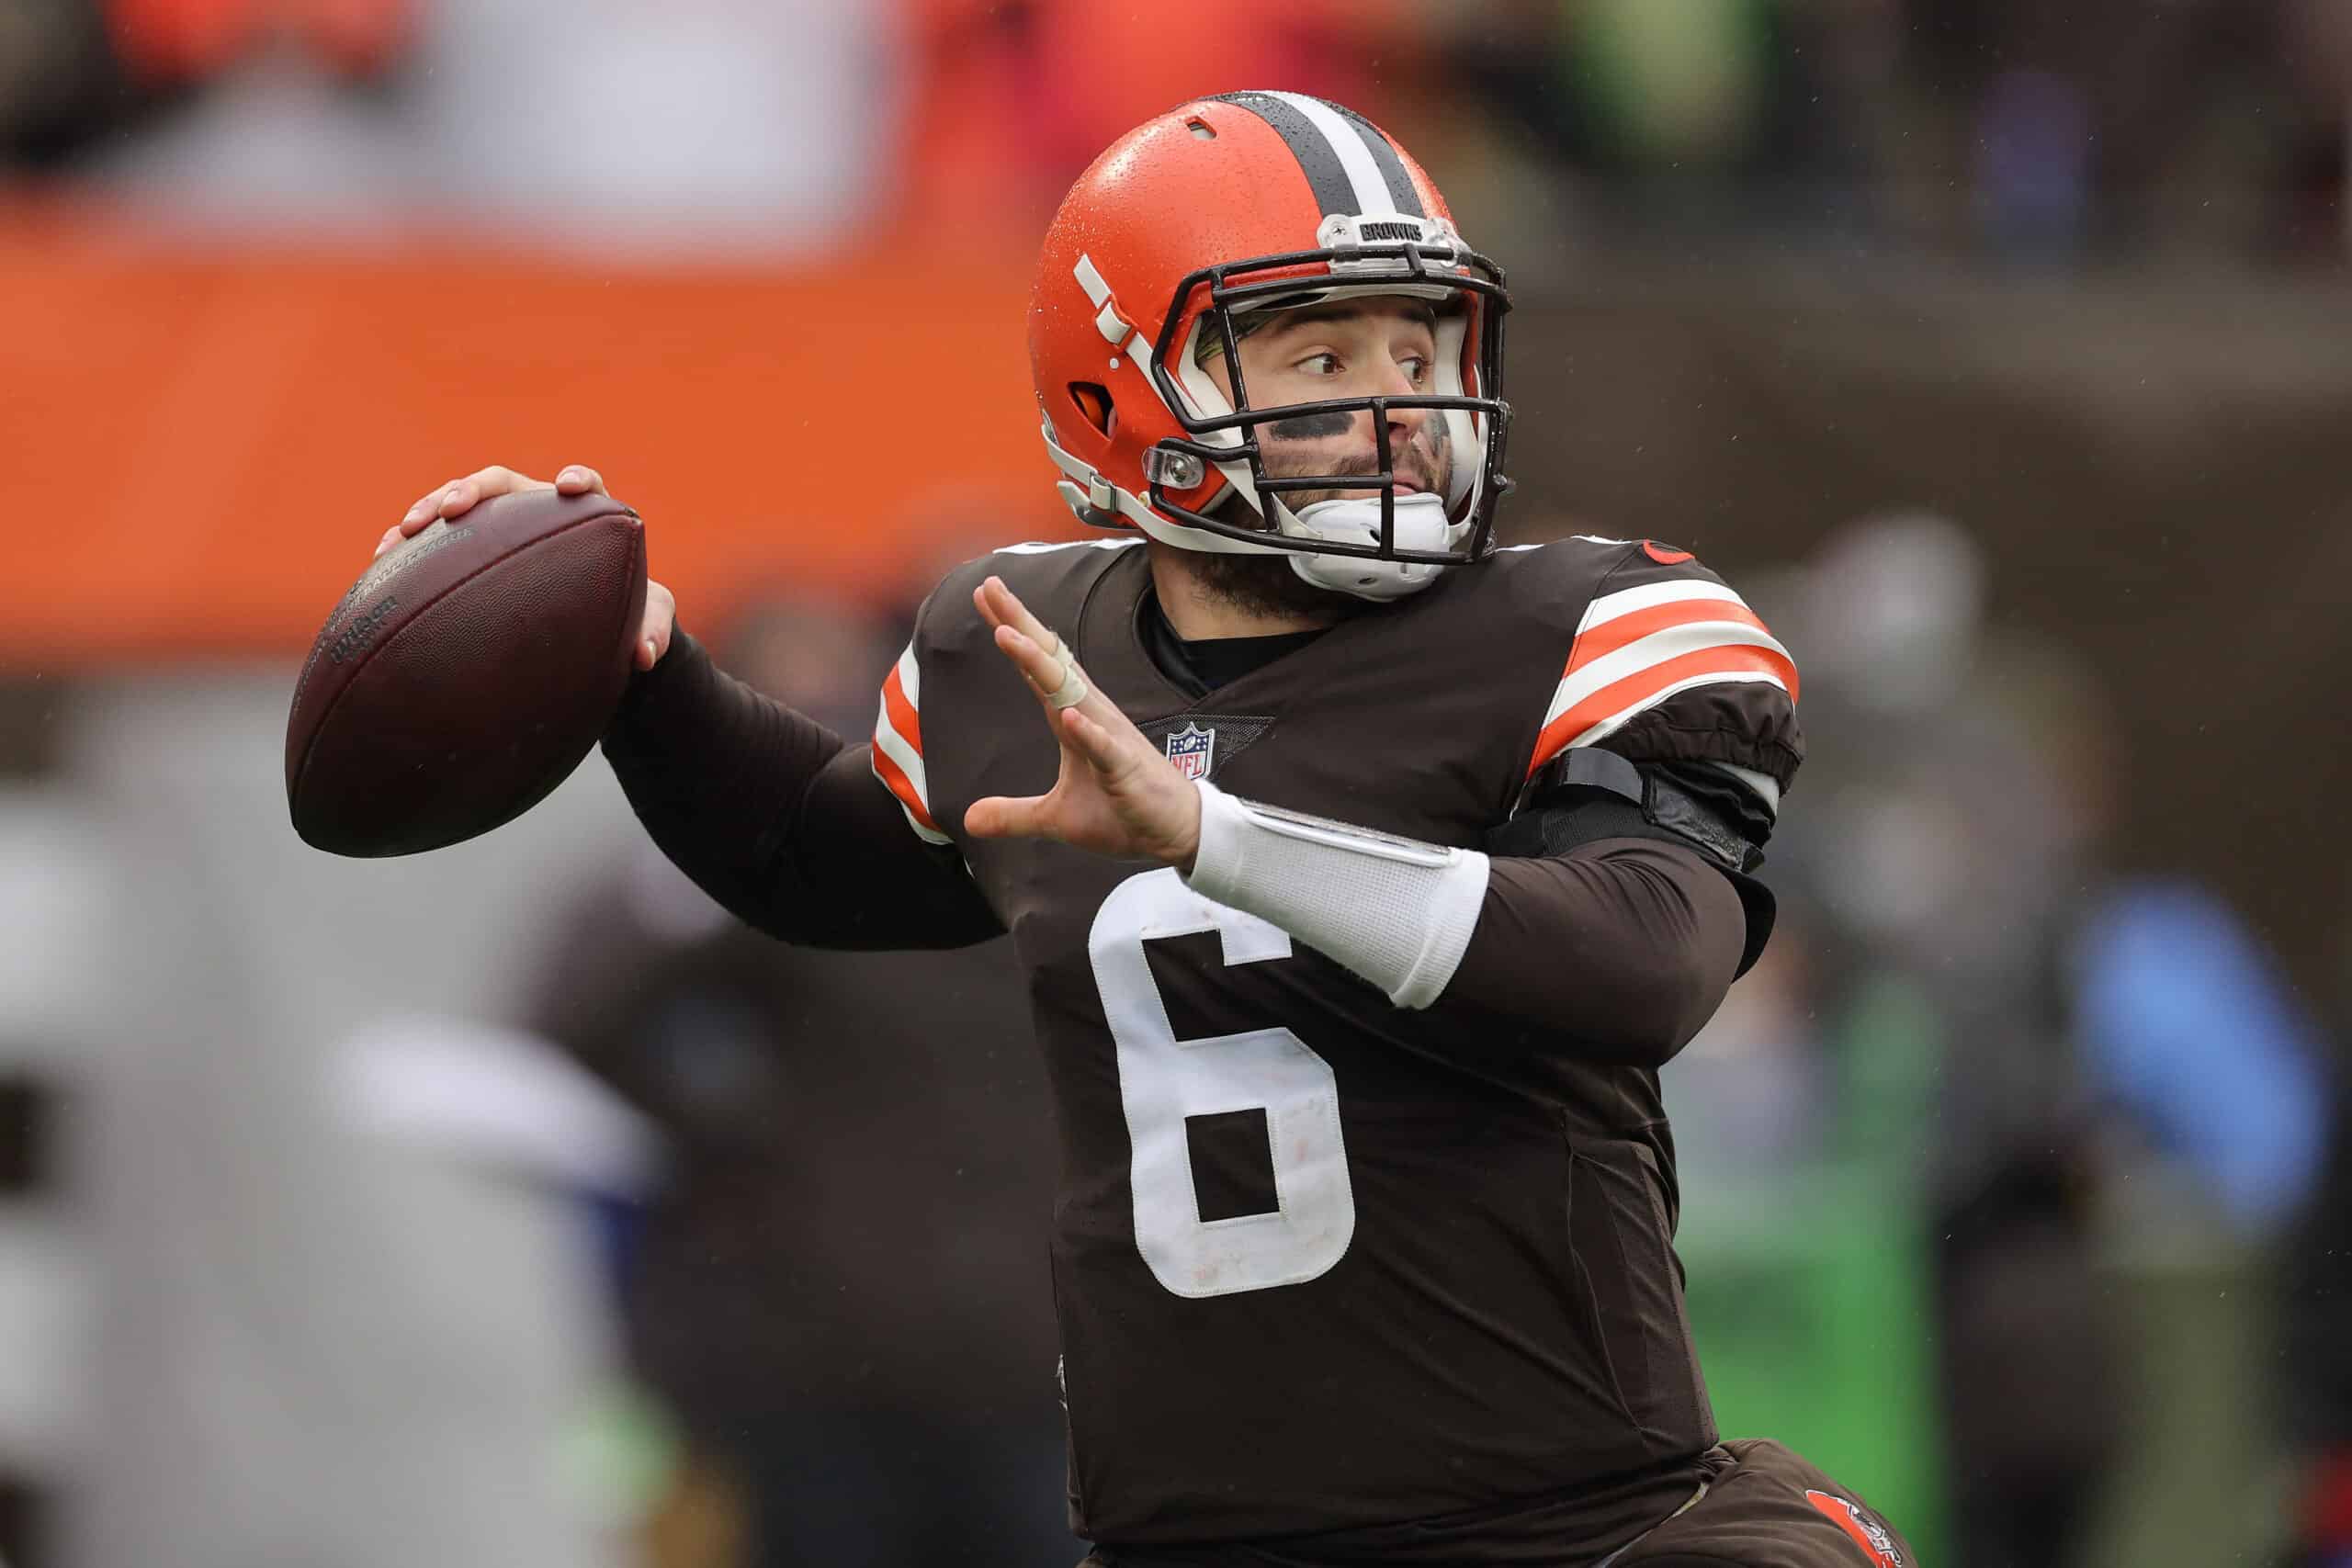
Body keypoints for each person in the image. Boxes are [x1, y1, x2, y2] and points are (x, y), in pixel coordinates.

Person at [373, 91, 1912, 1568]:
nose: (1399, 409)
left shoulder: (1586, 626)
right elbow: (812, 859)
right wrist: (643, 679)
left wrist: (1216, 836)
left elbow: (1645, 962)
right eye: (1319, 360)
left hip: (1568, 1529)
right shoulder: (1028, 647)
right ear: (1120, 394)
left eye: (1420, 343)